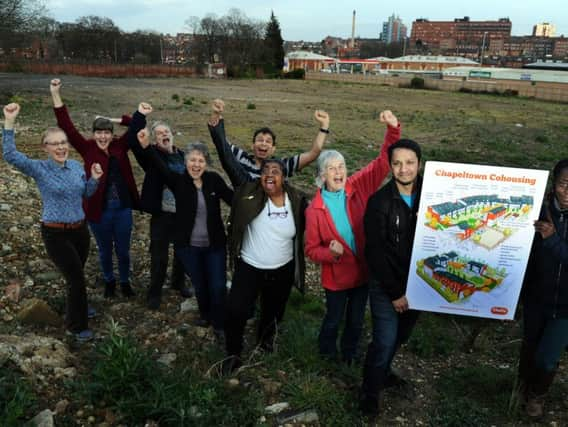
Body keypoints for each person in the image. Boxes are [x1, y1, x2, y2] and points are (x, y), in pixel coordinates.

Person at [208, 119, 307, 372]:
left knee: (273, 311)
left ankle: (265, 342)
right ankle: (233, 353)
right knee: (236, 311)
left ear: (284, 177)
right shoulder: (247, 191)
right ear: (259, 176)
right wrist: (217, 127)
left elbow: (320, 213)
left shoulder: (296, 199)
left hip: (282, 269)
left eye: (276, 172)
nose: (270, 176)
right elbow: (228, 160)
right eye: (266, 172)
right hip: (249, 266)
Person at [305, 110, 401, 365]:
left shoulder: (357, 186)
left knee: (356, 320)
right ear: (322, 176)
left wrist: (393, 130)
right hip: (335, 280)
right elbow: (311, 249)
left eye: (341, 167)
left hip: (361, 274)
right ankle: (326, 356)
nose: (338, 172)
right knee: (334, 318)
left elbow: (383, 162)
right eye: (331, 168)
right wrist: (330, 253)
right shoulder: (314, 210)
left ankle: (348, 356)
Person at [1, 103, 103, 342]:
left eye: (63, 142)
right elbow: (10, 155)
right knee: (76, 278)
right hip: (55, 234)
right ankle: (76, 327)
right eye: (54, 143)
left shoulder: (76, 166)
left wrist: (95, 180)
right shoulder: (40, 168)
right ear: (45, 147)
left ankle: (78, 306)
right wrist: (9, 121)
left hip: (80, 230)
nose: (60, 147)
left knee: (75, 277)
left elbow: (85, 194)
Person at [136, 124, 233, 337]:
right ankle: (205, 315)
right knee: (199, 283)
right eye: (192, 160)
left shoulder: (214, 180)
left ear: (206, 163)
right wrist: (145, 147)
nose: (196, 164)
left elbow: (234, 200)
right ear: (185, 162)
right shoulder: (178, 181)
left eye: (200, 160)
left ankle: (219, 324)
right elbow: (159, 166)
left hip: (214, 244)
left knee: (217, 285)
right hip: (188, 245)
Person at [50, 78, 139, 298]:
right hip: (98, 211)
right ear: (94, 134)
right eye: (99, 132)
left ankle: (125, 281)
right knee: (105, 250)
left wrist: (116, 118)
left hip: (123, 209)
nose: (103, 136)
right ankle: (109, 280)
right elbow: (66, 125)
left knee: (124, 251)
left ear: (111, 134)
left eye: (106, 132)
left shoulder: (121, 145)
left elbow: (138, 124)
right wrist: (55, 93)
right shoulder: (86, 148)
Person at [360, 138, 423, 416]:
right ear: (390, 166)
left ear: (419, 164)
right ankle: (369, 394)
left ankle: (383, 371)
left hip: (420, 284)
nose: (404, 169)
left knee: (400, 336)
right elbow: (374, 252)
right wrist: (395, 292)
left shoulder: (433, 195)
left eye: (409, 163)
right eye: (397, 163)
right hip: (387, 285)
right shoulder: (379, 202)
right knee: (384, 340)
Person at [127, 103, 192, 310]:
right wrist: (140, 116)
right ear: (155, 139)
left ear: (172, 135)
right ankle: (154, 292)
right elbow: (134, 142)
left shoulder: (183, 156)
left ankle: (178, 283)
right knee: (159, 256)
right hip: (162, 215)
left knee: (182, 252)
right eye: (159, 133)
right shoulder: (151, 156)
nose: (164, 134)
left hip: (183, 214)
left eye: (166, 132)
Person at [518, 158, 568, 418]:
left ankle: (538, 396)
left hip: (566, 306)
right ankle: (524, 388)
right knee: (530, 346)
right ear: (554, 184)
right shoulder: (539, 209)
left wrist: (551, 241)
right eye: (563, 183)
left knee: (548, 355)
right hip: (536, 298)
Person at [207, 99, 329, 180]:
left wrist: (324, 125)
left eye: (268, 141)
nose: (263, 144)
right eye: (260, 140)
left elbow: (314, 153)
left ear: (273, 149)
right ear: (252, 145)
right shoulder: (242, 158)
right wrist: (216, 114)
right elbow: (221, 142)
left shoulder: (281, 166)